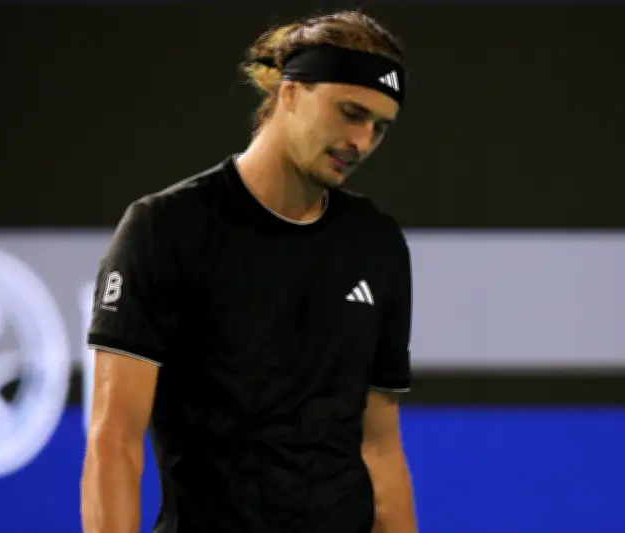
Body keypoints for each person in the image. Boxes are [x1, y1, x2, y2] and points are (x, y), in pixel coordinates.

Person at [80, 10, 417, 533]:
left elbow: (380, 448)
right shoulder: (164, 229)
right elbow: (114, 442)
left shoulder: (378, 244)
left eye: (379, 126)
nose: (362, 140)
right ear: (290, 93)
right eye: (351, 112)